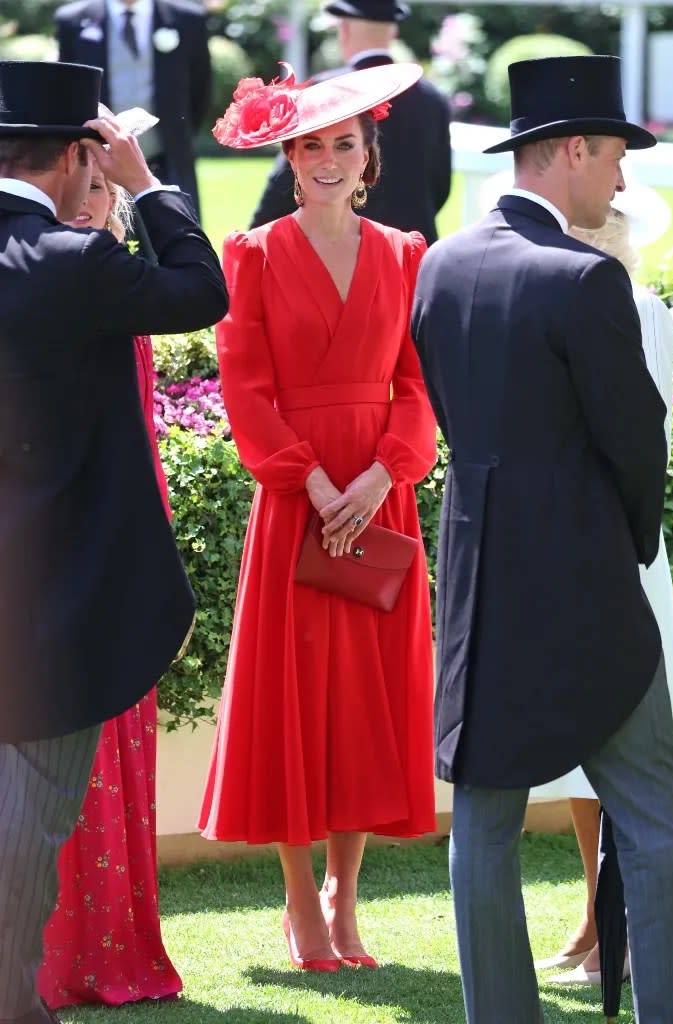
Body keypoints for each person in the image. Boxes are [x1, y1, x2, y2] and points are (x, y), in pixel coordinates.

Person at [411, 54, 673, 1023]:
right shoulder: (582, 280)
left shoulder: (437, 266)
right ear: (569, 150)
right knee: (657, 818)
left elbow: (451, 423)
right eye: (611, 156)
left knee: (480, 829)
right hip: (583, 600)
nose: (619, 180)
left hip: (477, 600)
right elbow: (634, 451)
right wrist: (626, 549)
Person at [0, 59, 226, 1024]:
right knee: (29, 825)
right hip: (52, 599)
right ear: (74, 157)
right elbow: (198, 290)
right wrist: (146, 184)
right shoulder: (71, 261)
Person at [199, 62, 437, 972]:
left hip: (382, 498)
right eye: (310, 146)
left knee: (368, 698)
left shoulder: (406, 252)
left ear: (368, 155)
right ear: (288, 160)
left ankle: (346, 893)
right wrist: (312, 483)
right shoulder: (251, 254)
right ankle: (302, 898)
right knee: (297, 695)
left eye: (344, 143)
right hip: (298, 501)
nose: (329, 159)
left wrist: (383, 474)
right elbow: (244, 390)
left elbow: (417, 383)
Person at [528, 200, 673, 987]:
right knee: (587, 762)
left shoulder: (638, 310)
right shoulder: (616, 305)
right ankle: (596, 919)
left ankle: (616, 931)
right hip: (611, 544)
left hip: (618, 543)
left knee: (628, 752)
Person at [37, 171, 182, 1009]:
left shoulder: (122, 286)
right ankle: (45, 956)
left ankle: (109, 948)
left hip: (128, 531)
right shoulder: (43, 278)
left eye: (104, 185)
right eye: (78, 182)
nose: (91, 199)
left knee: (115, 738)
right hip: (63, 539)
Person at [249, 0, 452, 246]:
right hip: (414, 252)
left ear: (343, 29)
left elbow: (291, 174)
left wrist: (256, 233)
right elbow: (440, 185)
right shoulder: (434, 100)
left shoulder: (324, 91)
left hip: (343, 252)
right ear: (394, 31)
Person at [54, 0, 211, 217]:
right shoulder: (73, 19)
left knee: (177, 236)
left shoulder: (188, 18)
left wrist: (180, 136)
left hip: (168, 158)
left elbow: (200, 89)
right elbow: (67, 90)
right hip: (99, 165)